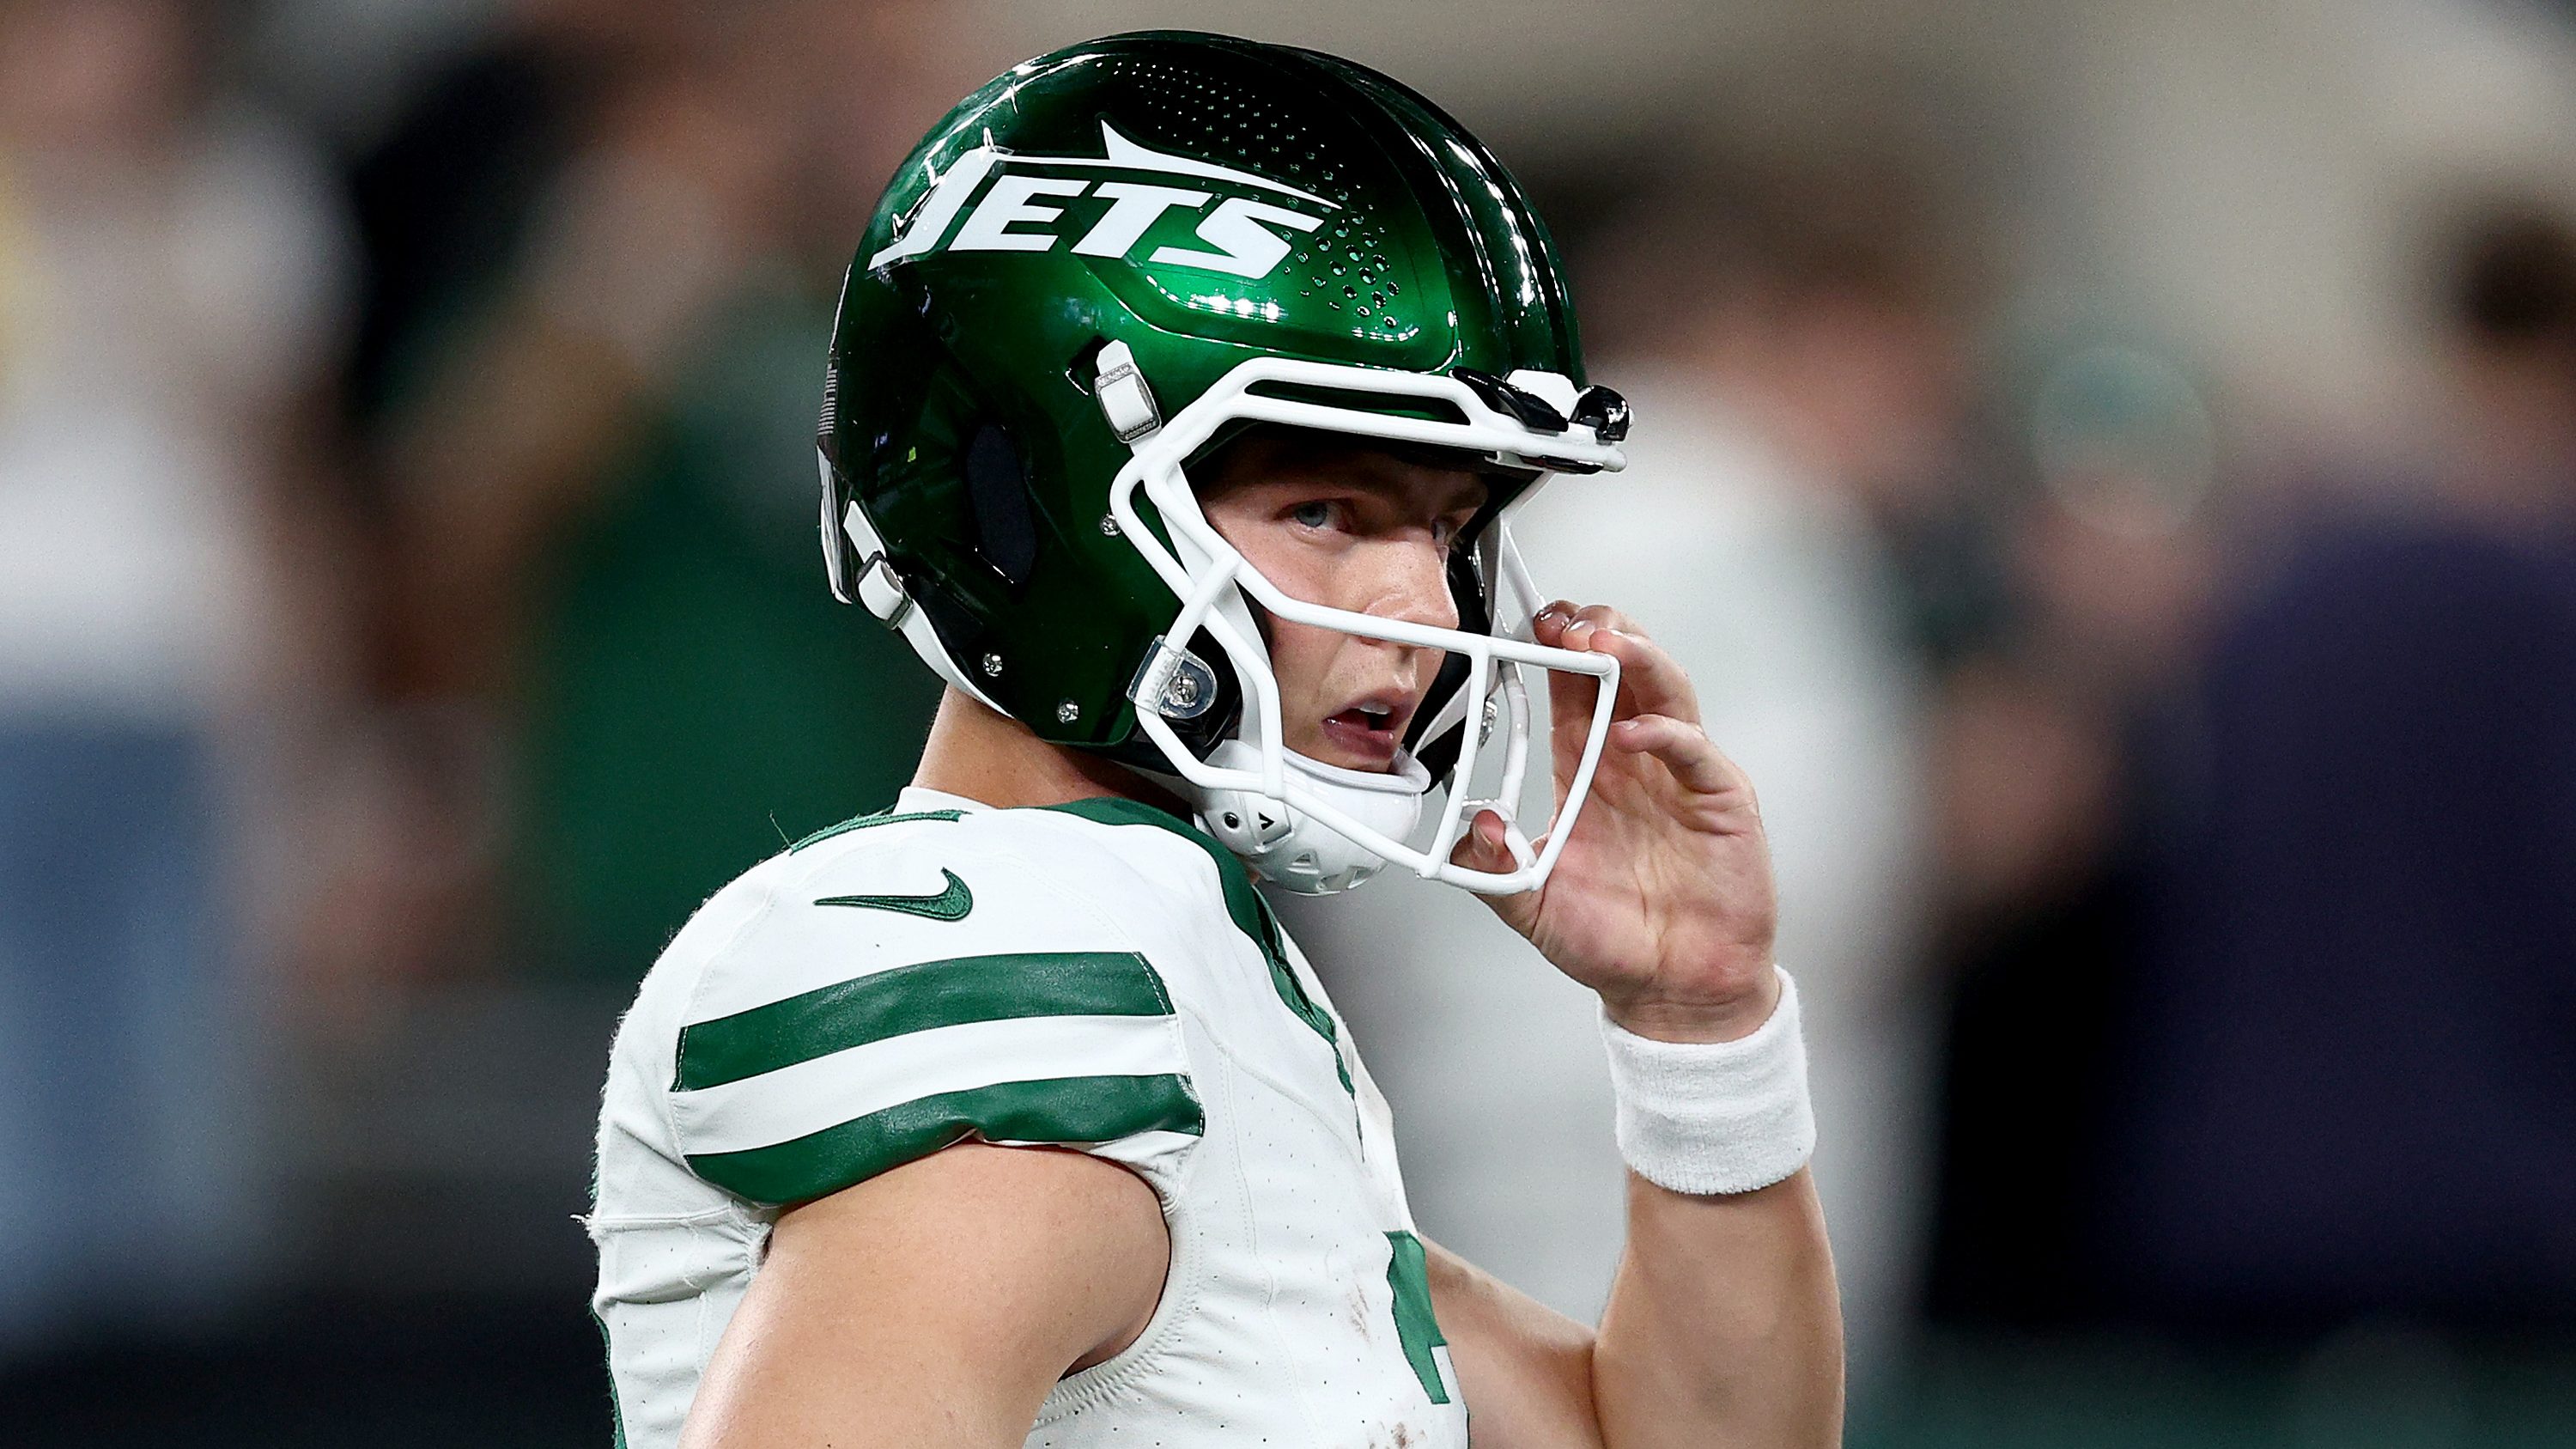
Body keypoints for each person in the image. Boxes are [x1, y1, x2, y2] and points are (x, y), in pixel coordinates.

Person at [588, 33, 1842, 1448]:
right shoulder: (1001, 979)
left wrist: (1699, 1031)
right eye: (1327, 512)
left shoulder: (1177, 959)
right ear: (1031, 502)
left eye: (1447, 527)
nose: (1427, 609)